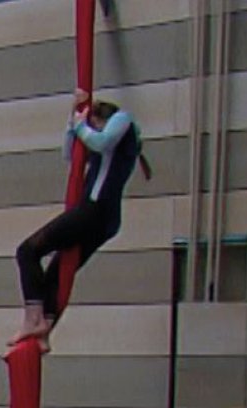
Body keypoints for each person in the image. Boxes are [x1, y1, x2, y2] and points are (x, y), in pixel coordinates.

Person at [10, 89, 149, 351]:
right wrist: (72, 121)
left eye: (92, 123)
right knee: (56, 272)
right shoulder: (106, 141)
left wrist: (79, 124)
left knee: (27, 250)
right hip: (103, 218)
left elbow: (101, 142)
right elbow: (69, 155)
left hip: (95, 211)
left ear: (99, 117)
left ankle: (33, 318)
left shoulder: (123, 120)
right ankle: (44, 330)